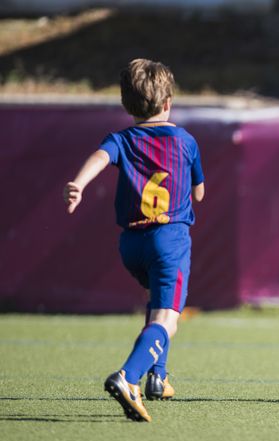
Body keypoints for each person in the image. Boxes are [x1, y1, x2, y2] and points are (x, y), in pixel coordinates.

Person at [63, 59, 205, 422]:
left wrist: (78, 184)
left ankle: (158, 377)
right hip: (168, 239)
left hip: (131, 244)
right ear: (169, 101)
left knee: (155, 303)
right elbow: (199, 192)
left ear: (127, 105)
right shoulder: (185, 141)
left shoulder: (120, 139)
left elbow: (99, 157)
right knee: (168, 318)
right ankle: (128, 377)